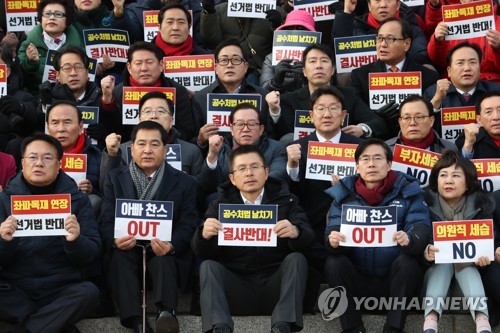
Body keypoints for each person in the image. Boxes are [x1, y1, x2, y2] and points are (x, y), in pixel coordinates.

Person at [192, 145, 314, 333]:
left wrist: (296, 232)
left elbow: (309, 238)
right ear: (232, 178)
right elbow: (202, 251)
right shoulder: (219, 205)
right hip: (236, 288)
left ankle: (283, 326)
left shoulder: (286, 200)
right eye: (241, 168)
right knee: (208, 266)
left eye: (255, 167)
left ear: (266, 173)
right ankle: (220, 327)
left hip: (275, 288)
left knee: (297, 259)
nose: (249, 173)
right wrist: (204, 235)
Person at [99, 121, 198, 333]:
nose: (147, 150)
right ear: (131, 149)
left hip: (164, 250)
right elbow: (106, 220)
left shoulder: (185, 182)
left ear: (165, 149)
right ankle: (136, 321)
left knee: (164, 258)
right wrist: (115, 241)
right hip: (128, 248)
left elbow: (188, 222)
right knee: (119, 257)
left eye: (154, 144)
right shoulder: (114, 178)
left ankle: (167, 314)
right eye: (141, 144)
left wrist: (172, 245)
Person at [324, 138, 431, 333]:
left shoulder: (409, 191)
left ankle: (394, 327)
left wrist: (410, 239)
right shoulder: (343, 194)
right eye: (365, 159)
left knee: (409, 262)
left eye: (378, 158)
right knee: (334, 262)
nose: (371, 164)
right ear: (357, 166)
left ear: (389, 164)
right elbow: (333, 227)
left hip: (395, 283)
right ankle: (353, 328)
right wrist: (332, 238)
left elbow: (421, 227)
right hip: (358, 282)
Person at [0, 133, 100, 332]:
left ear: (59, 165)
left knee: (90, 292)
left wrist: (75, 241)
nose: (39, 163)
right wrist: (3, 241)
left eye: (47, 158)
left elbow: (93, 252)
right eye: (32, 157)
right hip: (16, 288)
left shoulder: (77, 201)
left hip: (61, 288)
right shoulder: (4, 201)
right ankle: (55, 323)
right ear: (22, 163)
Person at [286, 86, 362, 310]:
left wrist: (346, 189)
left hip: (349, 228)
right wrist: (292, 166)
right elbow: (290, 195)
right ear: (311, 115)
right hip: (310, 226)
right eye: (320, 109)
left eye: (333, 109)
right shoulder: (297, 148)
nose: (327, 114)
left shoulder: (359, 148)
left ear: (343, 114)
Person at [422, 150, 493, 333]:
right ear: (436, 180)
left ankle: (482, 320)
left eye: (455, 175)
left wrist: (484, 259)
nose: (448, 181)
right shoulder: (422, 204)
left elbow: (486, 245)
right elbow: (417, 237)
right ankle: (431, 319)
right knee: (443, 262)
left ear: (468, 183)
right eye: (443, 175)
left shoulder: (482, 205)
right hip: (432, 275)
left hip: (468, 279)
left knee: (464, 264)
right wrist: (426, 251)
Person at [267, 43, 387, 141]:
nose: (319, 66)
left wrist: (362, 129)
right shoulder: (289, 100)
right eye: (312, 61)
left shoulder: (349, 95)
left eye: (324, 61)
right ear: (304, 71)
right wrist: (274, 112)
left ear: (333, 70)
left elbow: (378, 122)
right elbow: (282, 136)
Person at [100, 91, 203, 188]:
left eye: (161, 111)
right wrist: (112, 155)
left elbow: (198, 190)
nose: (153, 116)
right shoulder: (122, 150)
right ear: (139, 119)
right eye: (148, 111)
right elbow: (107, 187)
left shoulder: (191, 151)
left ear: (171, 121)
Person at [101, 41, 194, 142]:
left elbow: (186, 130)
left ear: (161, 65)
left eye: (149, 62)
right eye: (138, 63)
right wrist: (108, 102)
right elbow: (111, 130)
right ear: (129, 67)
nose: (144, 68)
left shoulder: (178, 91)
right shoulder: (117, 93)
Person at [192, 38, 273, 148]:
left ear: (245, 67)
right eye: (224, 60)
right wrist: (200, 140)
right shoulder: (200, 98)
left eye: (236, 60)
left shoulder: (263, 96)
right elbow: (190, 140)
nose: (230, 65)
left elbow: (271, 136)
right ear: (215, 67)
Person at [199, 102, 286, 199]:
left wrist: (246, 187)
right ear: (231, 129)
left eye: (251, 124)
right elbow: (208, 187)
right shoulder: (219, 147)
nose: (245, 129)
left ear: (261, 129)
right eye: (240, 124)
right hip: (229, 201)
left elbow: (277, 175)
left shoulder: (277, 148)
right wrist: (212, 156)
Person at [351, 18, 438, 110]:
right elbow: (358, 114)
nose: (383, 44)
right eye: (380, 38)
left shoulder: (428, 77)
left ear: (407, 44)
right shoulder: (360, 76)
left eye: (390, 39)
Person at [39, 45, 113, 148]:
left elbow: (119, 131)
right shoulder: (49, 96)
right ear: (57, 75)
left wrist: (106, 134)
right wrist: (44, 106)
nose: (73, 73)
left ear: (87, 72)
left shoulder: (101, 98)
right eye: (67, 68)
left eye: (78, 67)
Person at [424, 42, 500, 137]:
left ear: (480, 69)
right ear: (449, 71)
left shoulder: (496, 92)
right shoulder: (433, 93)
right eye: (460, 63)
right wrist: (436, 100)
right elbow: (424, 129)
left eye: (472, 62)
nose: (467, 68)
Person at [46, 100, 102, 214]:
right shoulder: (36, 157)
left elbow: (109, 198)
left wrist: (92, 191)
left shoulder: (97, 156)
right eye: (55, 122)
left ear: (80, 126)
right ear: (47, 127)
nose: (61, 129)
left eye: (67, 122)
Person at [330, 0, 430, 64]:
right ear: (369, 5)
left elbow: (421, 57)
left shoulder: (412, 29)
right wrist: (347, 12)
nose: (383, 5)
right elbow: (337, 51)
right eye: (377, 0)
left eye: (388, 0)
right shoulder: (355, 27)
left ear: (398, 4)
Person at [18, 0, 83, 97]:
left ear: (67, 21)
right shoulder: (28, 45)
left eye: (58, 14)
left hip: (71, 97)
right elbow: (21, 78)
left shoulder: (78, 48)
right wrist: (31, 62)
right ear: (41, 19)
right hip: (36, 97)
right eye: (47, 14)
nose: (52, 17)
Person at [200, 0, 274, 82]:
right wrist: (209, 13)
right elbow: (211, 42)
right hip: (227, 66)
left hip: (258, 70)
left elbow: (280, 45)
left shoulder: (273, 11)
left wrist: (277, 26)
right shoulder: (219, 10)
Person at [427, 0, 500, 83]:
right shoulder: (447, 24)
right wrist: (437, 41)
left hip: (493, 83)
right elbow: (438, 61)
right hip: (456, 83)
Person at [260, 10, 315, 93]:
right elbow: (263, 92)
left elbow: (324, 90)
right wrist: (276, 82)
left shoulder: (319, 60)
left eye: (301, 28)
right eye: (289, 28)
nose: (295, 32)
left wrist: (306, 80)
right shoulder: (271, 58)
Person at [385, 95, 456, 153]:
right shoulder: (385, 149)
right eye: (406, 118)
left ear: (431, 121)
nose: (412, 123)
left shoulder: (449, 149)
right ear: (400, 122)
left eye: (419, 117)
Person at [456, 91, 500, 159]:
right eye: (489, 112)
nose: (496, 117)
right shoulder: (467, 138)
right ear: (479, 120)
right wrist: (468, 144)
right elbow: (459, 166)